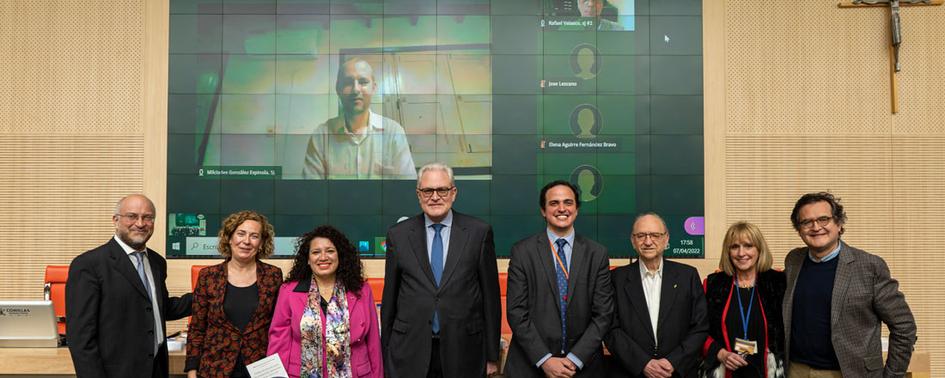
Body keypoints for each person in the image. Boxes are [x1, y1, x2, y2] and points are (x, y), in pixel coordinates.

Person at [381, 162, 501, 378]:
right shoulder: (398, 235)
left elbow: (491, 300)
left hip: (465, 350)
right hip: (409, 350)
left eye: (442, 190)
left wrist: (492, 355)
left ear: (453, 192)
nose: (435, 197)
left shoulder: (478, 233)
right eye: (427, 191)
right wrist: (385, 352)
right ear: (418, 194)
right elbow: (390, 299)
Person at [783, 192, 916, 377]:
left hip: (851, 373)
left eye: (823, 219)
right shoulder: (793, 261)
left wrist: (892, 375)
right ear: (799, 229)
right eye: (807, 222)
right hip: (796, 371)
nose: (816, 227)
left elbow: (904, 326)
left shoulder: (869, 266)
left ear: (839, 224)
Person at [66, 194, 193, 378]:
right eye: (132, 216)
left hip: (156, 369)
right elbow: (80, 338)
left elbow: (159, 308)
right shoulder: (89, 264)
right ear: (116, 220)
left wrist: (208, 293)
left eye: (147, 217)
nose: (140, 223)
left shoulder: (157, 262)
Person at [505, 180, 614, 377]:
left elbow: (603, 314)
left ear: (577, 209)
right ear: (543, 211)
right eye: (554, 203)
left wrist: (575, 359)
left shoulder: (596, 254)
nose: (561, 208)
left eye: (568, 202)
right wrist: (544, 359)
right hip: (531, 365)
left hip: (583, 367)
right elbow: (516, 312)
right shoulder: (522, 252)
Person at [268, 225, 382, 378]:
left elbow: (373, 342)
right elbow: (279, 342)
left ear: (339, 256)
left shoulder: (361, 290)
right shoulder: (289, 291)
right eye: (316, 252)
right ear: (308, 259)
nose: (323, 257)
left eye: (330, 251)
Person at [605, 212, 708, 378]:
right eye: (641, 236)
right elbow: (610, 329)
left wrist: (673, 362)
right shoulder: (615, 279)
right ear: (633, 240)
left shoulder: (687, 276)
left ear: (666, 239)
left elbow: (700, 327)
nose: (647, 241)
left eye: (655, 235)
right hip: (631, 372)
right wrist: (643, 363)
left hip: (677, 372)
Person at [185, 210, 283, 377]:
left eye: (254, 236)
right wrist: (192, 370)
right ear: (229, 238)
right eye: (241, 234)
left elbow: (278, 327)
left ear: (261, 243)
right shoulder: (208, 276)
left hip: (260, 368)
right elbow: (197, 328)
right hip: (215, 367)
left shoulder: (273, 276)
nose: (246, 241)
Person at [302, 56, 416, 179]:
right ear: (338, 89)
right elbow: (311, 192)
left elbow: (406, 190)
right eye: (348, 83)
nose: (356, 89)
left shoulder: (393, 132)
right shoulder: (321, 136)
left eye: (363, 82)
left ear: (374, 88)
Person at [702, 222, 786, 377]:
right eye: (734, 246)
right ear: (728, 252)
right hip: (724, 371)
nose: (741, 253)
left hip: (768, 371)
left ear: (759, 249)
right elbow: (697, 330)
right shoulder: (712, 285)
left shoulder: (778, 283)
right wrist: (720, 353)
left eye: (748, 246)